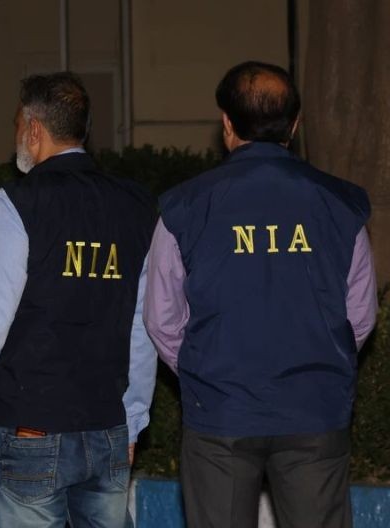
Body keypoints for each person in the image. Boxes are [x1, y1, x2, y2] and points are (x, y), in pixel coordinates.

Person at [0, 72, 158, 527]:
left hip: (31, 429)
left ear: (33, 129)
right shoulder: (136, 206)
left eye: (16, 125)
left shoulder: (15, 203)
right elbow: (142, 326)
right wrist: (133, 419)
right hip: (107, 427)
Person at [144, 61, 378, 528]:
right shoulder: (340, 204)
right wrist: (319, 358)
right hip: (314, 409)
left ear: (226, 124)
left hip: (221, 414)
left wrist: (204, 370)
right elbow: (360, 314)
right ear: (295, 124)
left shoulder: (185, 206)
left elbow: (161, 318)